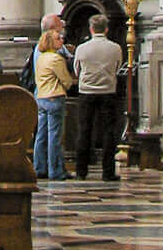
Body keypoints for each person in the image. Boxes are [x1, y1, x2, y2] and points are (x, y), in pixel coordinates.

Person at [73, 14, 124, 180]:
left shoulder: (82, 48)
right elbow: (118, 67)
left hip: (86, 92)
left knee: (84, 130)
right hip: (107, 92)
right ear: (106, 29)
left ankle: (81, 171)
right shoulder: (115, 48)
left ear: (91, 29)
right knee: (109, 132)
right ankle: (108, 172)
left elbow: (76, 70)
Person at [33, 27, 73, 180]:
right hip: (54, 97)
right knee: (55, 137)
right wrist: (69, 83)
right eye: (58, 38)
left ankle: (39, 167)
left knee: (41, 135)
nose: (61, 40)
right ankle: (55, 171)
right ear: (50, 41)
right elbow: (66, 80)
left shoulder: (41, 57)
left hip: (42, 98)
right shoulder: (55, 58)